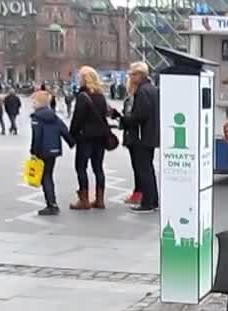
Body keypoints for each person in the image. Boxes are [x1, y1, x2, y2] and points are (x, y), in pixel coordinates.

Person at [110, 62, 159, 213]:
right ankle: (153, 200)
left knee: (143, 170)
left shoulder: (142, 91)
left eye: (132, 74)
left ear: (139, 75)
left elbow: (140, 116)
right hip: (150, 135)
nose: (130, 77)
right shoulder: (152, 89)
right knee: (148, 169)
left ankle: (147, 203)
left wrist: (122, 118)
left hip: (141, 136)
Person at [68, 66, 111, 210]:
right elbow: (104, 115)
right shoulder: (100, 96)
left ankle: (84, 199)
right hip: (100, 137)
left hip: (85, 137)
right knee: (98, 167)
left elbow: (77, 118)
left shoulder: (83, 96)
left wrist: (72, 134)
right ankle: (100, 199)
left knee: (81, 167)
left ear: (84, 79)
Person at [29, 90, 74, 216]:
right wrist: (72, 143)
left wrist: (34, 152)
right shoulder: (53, 116)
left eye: (33, 101)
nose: (32, 104)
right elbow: (64, 130)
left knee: (45, 178)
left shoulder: (36, 118)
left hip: (42, 151)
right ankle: (52, 203)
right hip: (54, 150)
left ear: (38, 102)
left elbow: (36, 137)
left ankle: (51, 205)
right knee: (49, 175)